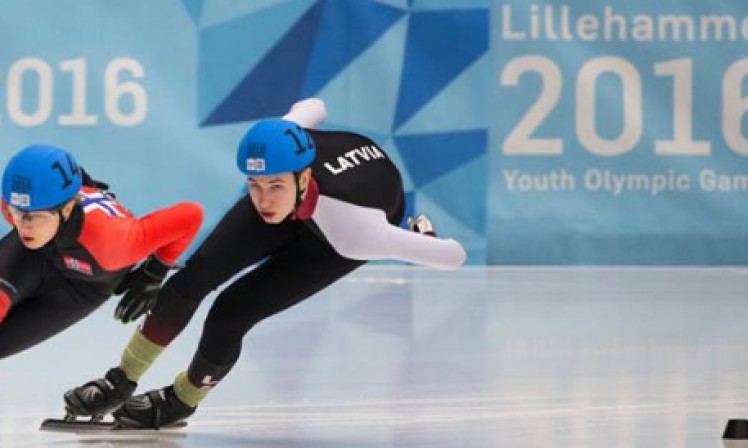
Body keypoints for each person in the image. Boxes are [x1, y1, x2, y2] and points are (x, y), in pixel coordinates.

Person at [64, 98, 466, 428]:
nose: (263, 199)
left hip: (333, 237)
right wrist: (284, 166)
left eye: (273, 186)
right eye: (254, 186)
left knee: (231, 312)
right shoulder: (280, 152)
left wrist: (421, 243)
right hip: (309, 193)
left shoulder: (357, 230)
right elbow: (312, 107)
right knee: (193, 279)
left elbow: (454, 257)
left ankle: (182, 400)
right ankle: (120, 380)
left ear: (304, 178)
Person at [0, 144, 204, 359]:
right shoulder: (16, 205)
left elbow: (191, 215)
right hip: (34, 254)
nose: (23, 224)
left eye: (33, 216)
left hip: (81, 289)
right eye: (18, 213)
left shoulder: (114, 243)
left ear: (67, 208)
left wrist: (155, 271)